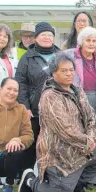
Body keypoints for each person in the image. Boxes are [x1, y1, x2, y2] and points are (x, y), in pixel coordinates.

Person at [17, 53, 96, 192]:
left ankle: (76, 185)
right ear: (54, 73)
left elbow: (91, 118)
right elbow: (65, 130)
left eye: (71, 70)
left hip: (82, 147)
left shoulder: (77, 91)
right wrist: (87, 142)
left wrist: (91, 138)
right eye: (64, 71)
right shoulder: (50, 96)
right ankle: (31, 181)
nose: (69, 74)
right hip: (57, 154)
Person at [65, 26, 96, 187]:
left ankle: (94, 179)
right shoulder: (70, 56)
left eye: (94, 41)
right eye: (88, 40)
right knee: (79, 138)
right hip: (77, 100)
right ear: (81, 42)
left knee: (95, 139)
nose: (91, 43)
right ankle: (77, 178)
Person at [15, 22, 60, 170]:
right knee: (32, 145)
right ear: (36, 38)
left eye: (50, 35)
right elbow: (21, 83)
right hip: (34, 111)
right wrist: (25, 106)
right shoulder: (27, 58)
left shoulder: (61, 56)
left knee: (55, 144)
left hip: (57, 111)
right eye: (43, 35)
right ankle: (27, 176)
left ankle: (52, 176)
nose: (47, 38)